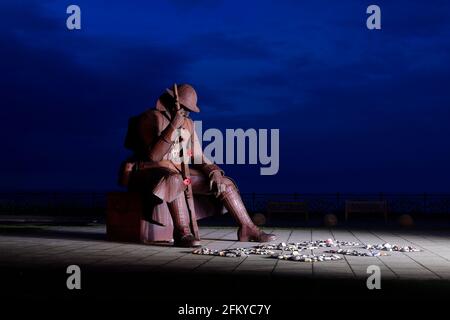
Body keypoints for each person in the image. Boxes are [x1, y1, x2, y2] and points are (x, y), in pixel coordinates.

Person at [120, 84, 276, 247]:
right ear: (174, 102)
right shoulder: (151, 117)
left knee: (224, 184)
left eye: (189, 110)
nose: (186, 113)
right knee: (176, 180)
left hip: (182, 176)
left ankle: (248, 228)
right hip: (149, 172)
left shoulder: (188, 124)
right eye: (184, 108)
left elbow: (198, 155)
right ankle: (182, 232)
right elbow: (153, 156)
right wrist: (173, 126)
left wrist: (213, 170)